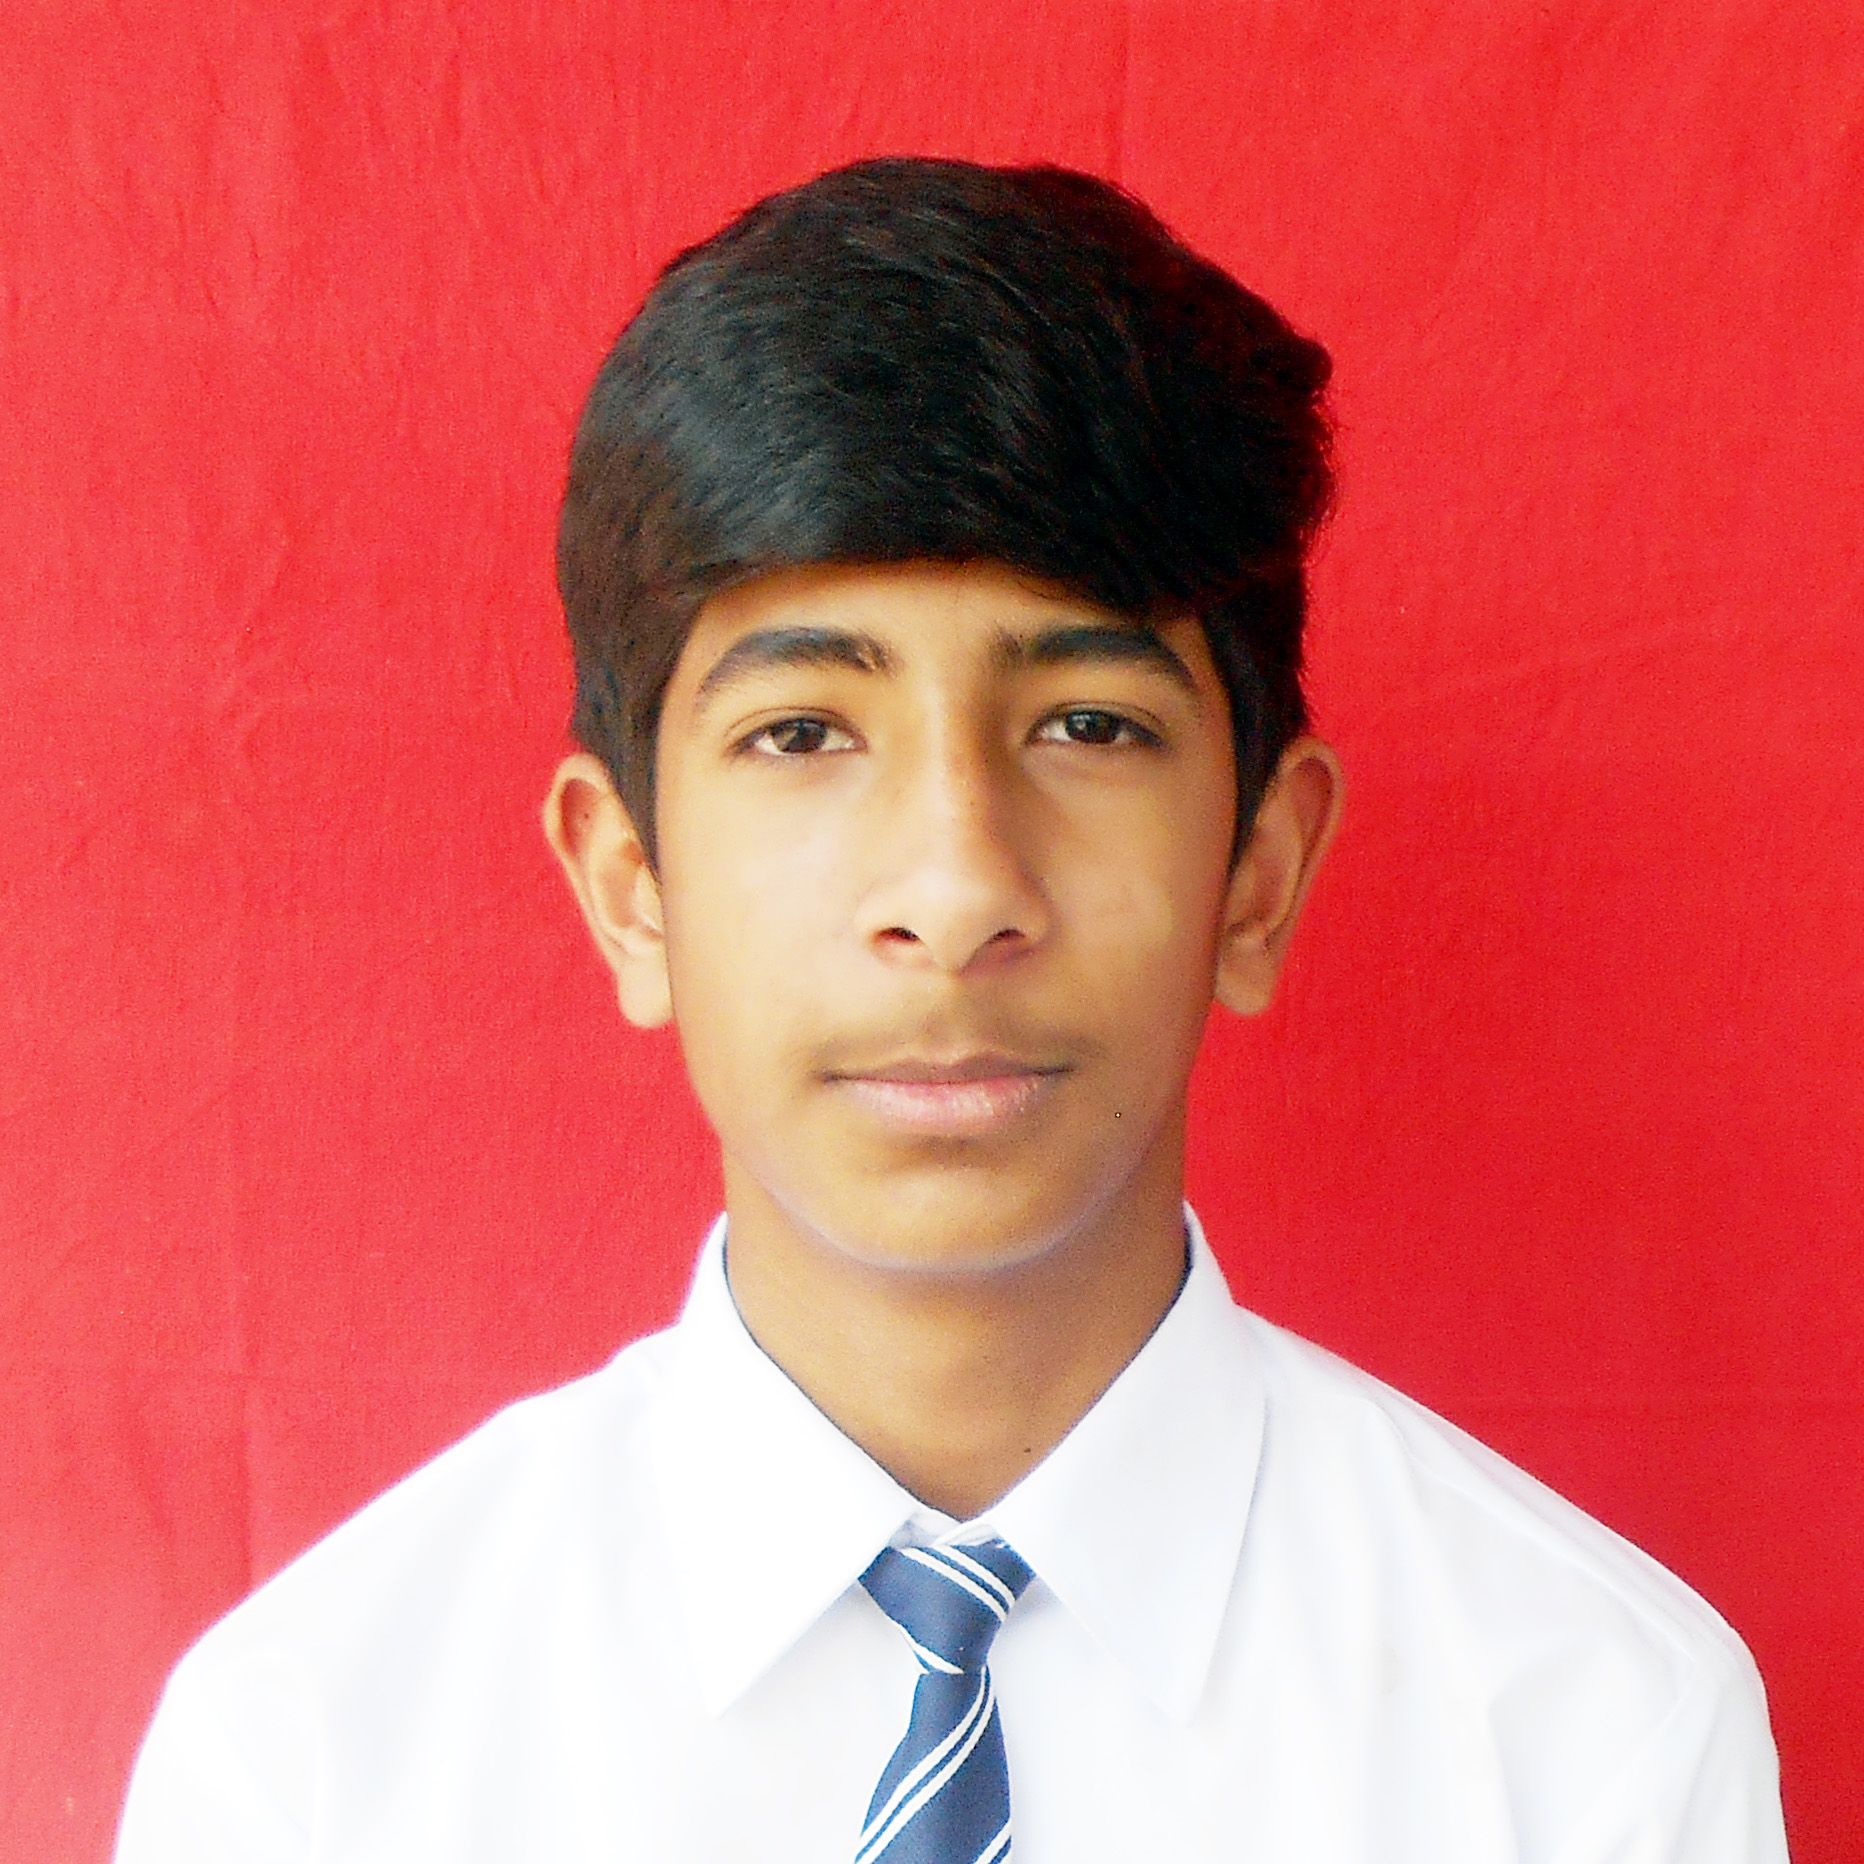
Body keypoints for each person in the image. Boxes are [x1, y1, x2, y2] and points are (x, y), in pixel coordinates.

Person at [115, 157, 1788, 1863]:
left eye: (1088, 726)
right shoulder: (315, 1762)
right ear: (628, 885)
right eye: (800, 734)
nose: (957, 884)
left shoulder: (1589, 1738)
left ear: (1260, 874)